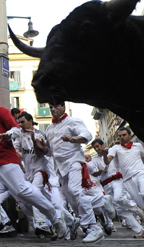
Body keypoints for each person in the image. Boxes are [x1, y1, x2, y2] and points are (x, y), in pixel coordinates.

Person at [0, 88, 72, 241]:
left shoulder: (1, 111)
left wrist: (9, 135)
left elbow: (16, 130)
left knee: (22, 191)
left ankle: (55, 217)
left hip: (5, 159)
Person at [40, 102, 105, 242]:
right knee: (72, 200)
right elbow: (49, 152)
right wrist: (40, 146)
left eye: (56, 106)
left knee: (75, 191)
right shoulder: (50, 129)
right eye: (51, 107)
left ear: (63, 107)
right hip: (60, 168)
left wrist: (72, 139)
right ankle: (101, 203)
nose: (53, 109)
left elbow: (87, 135)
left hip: (74, 161)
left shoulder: (73, 121)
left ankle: (94, 228)